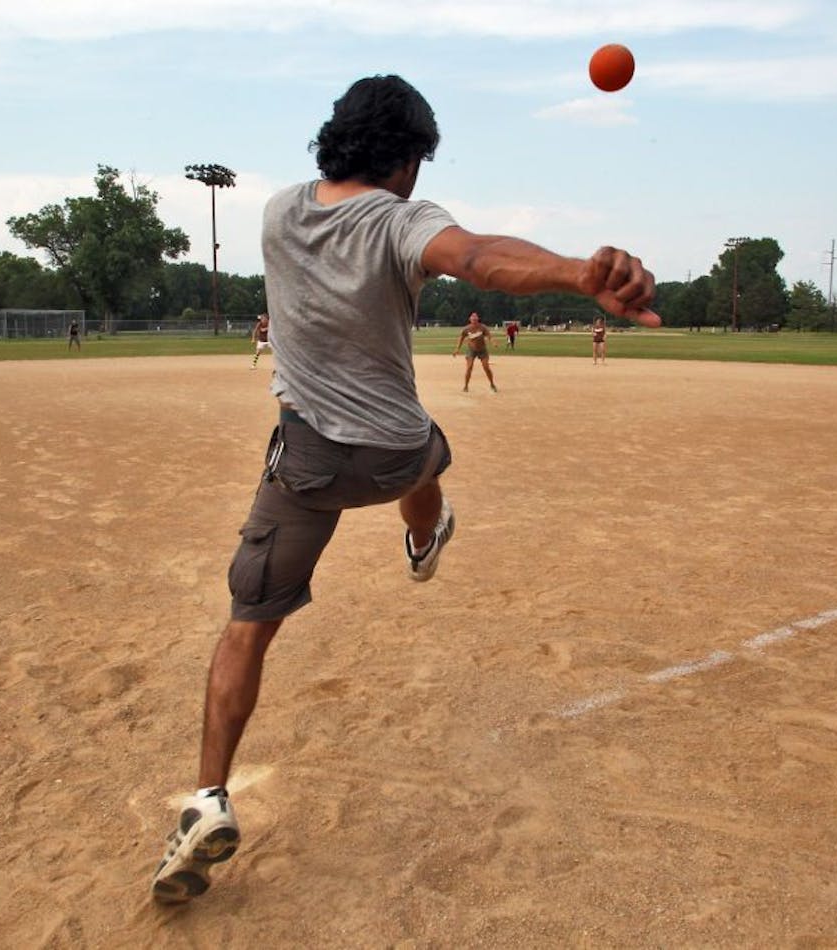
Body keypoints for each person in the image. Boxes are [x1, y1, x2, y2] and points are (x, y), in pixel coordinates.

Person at [149, 74, 657, 904]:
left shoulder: (279, 211)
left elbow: (472, 255)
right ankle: (424, 539)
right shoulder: (402, 217)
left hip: (309, 464)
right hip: (395, 453)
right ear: (411, 157)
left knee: (246, 629)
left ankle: (206, 800)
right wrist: (578, 271)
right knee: (431, 457)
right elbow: (478, 258)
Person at [454, 312, 497, 392]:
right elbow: (461, 339)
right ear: (470, 320)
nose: (474, 320)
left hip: (482, 350)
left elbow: (489, 336)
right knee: (469, 367)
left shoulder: (483, 327)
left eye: (475, 319)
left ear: (478, 319)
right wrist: (457, 349)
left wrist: (493, 342)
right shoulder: (466, 329)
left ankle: (492, 384)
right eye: (472, 319)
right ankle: (466, 386)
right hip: (471, 350)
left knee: (486, 367)